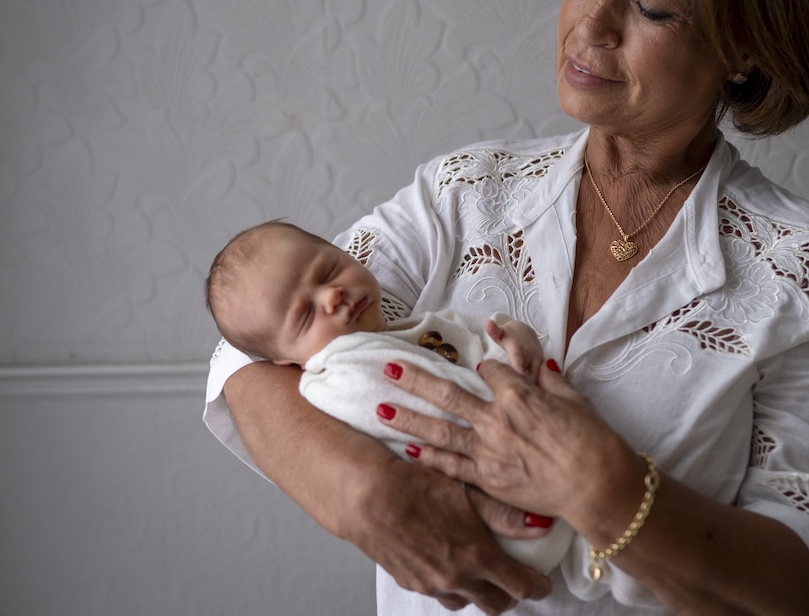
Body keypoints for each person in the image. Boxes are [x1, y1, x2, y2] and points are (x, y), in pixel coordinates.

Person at [204, 0, 809, 615]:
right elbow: (249, 349)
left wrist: (605, 488)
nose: (590, 24)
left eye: (651, 7)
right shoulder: (461, 194)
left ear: (745, 45)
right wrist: (362, 493)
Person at [203, 219, 574, 573]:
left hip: (544, 468)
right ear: (284, 359)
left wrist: (512, 340)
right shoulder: (338, 379)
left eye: (329, 270)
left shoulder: (416, 328)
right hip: (498, 507)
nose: (332, 295)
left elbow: (477, 346)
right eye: (304, 316)